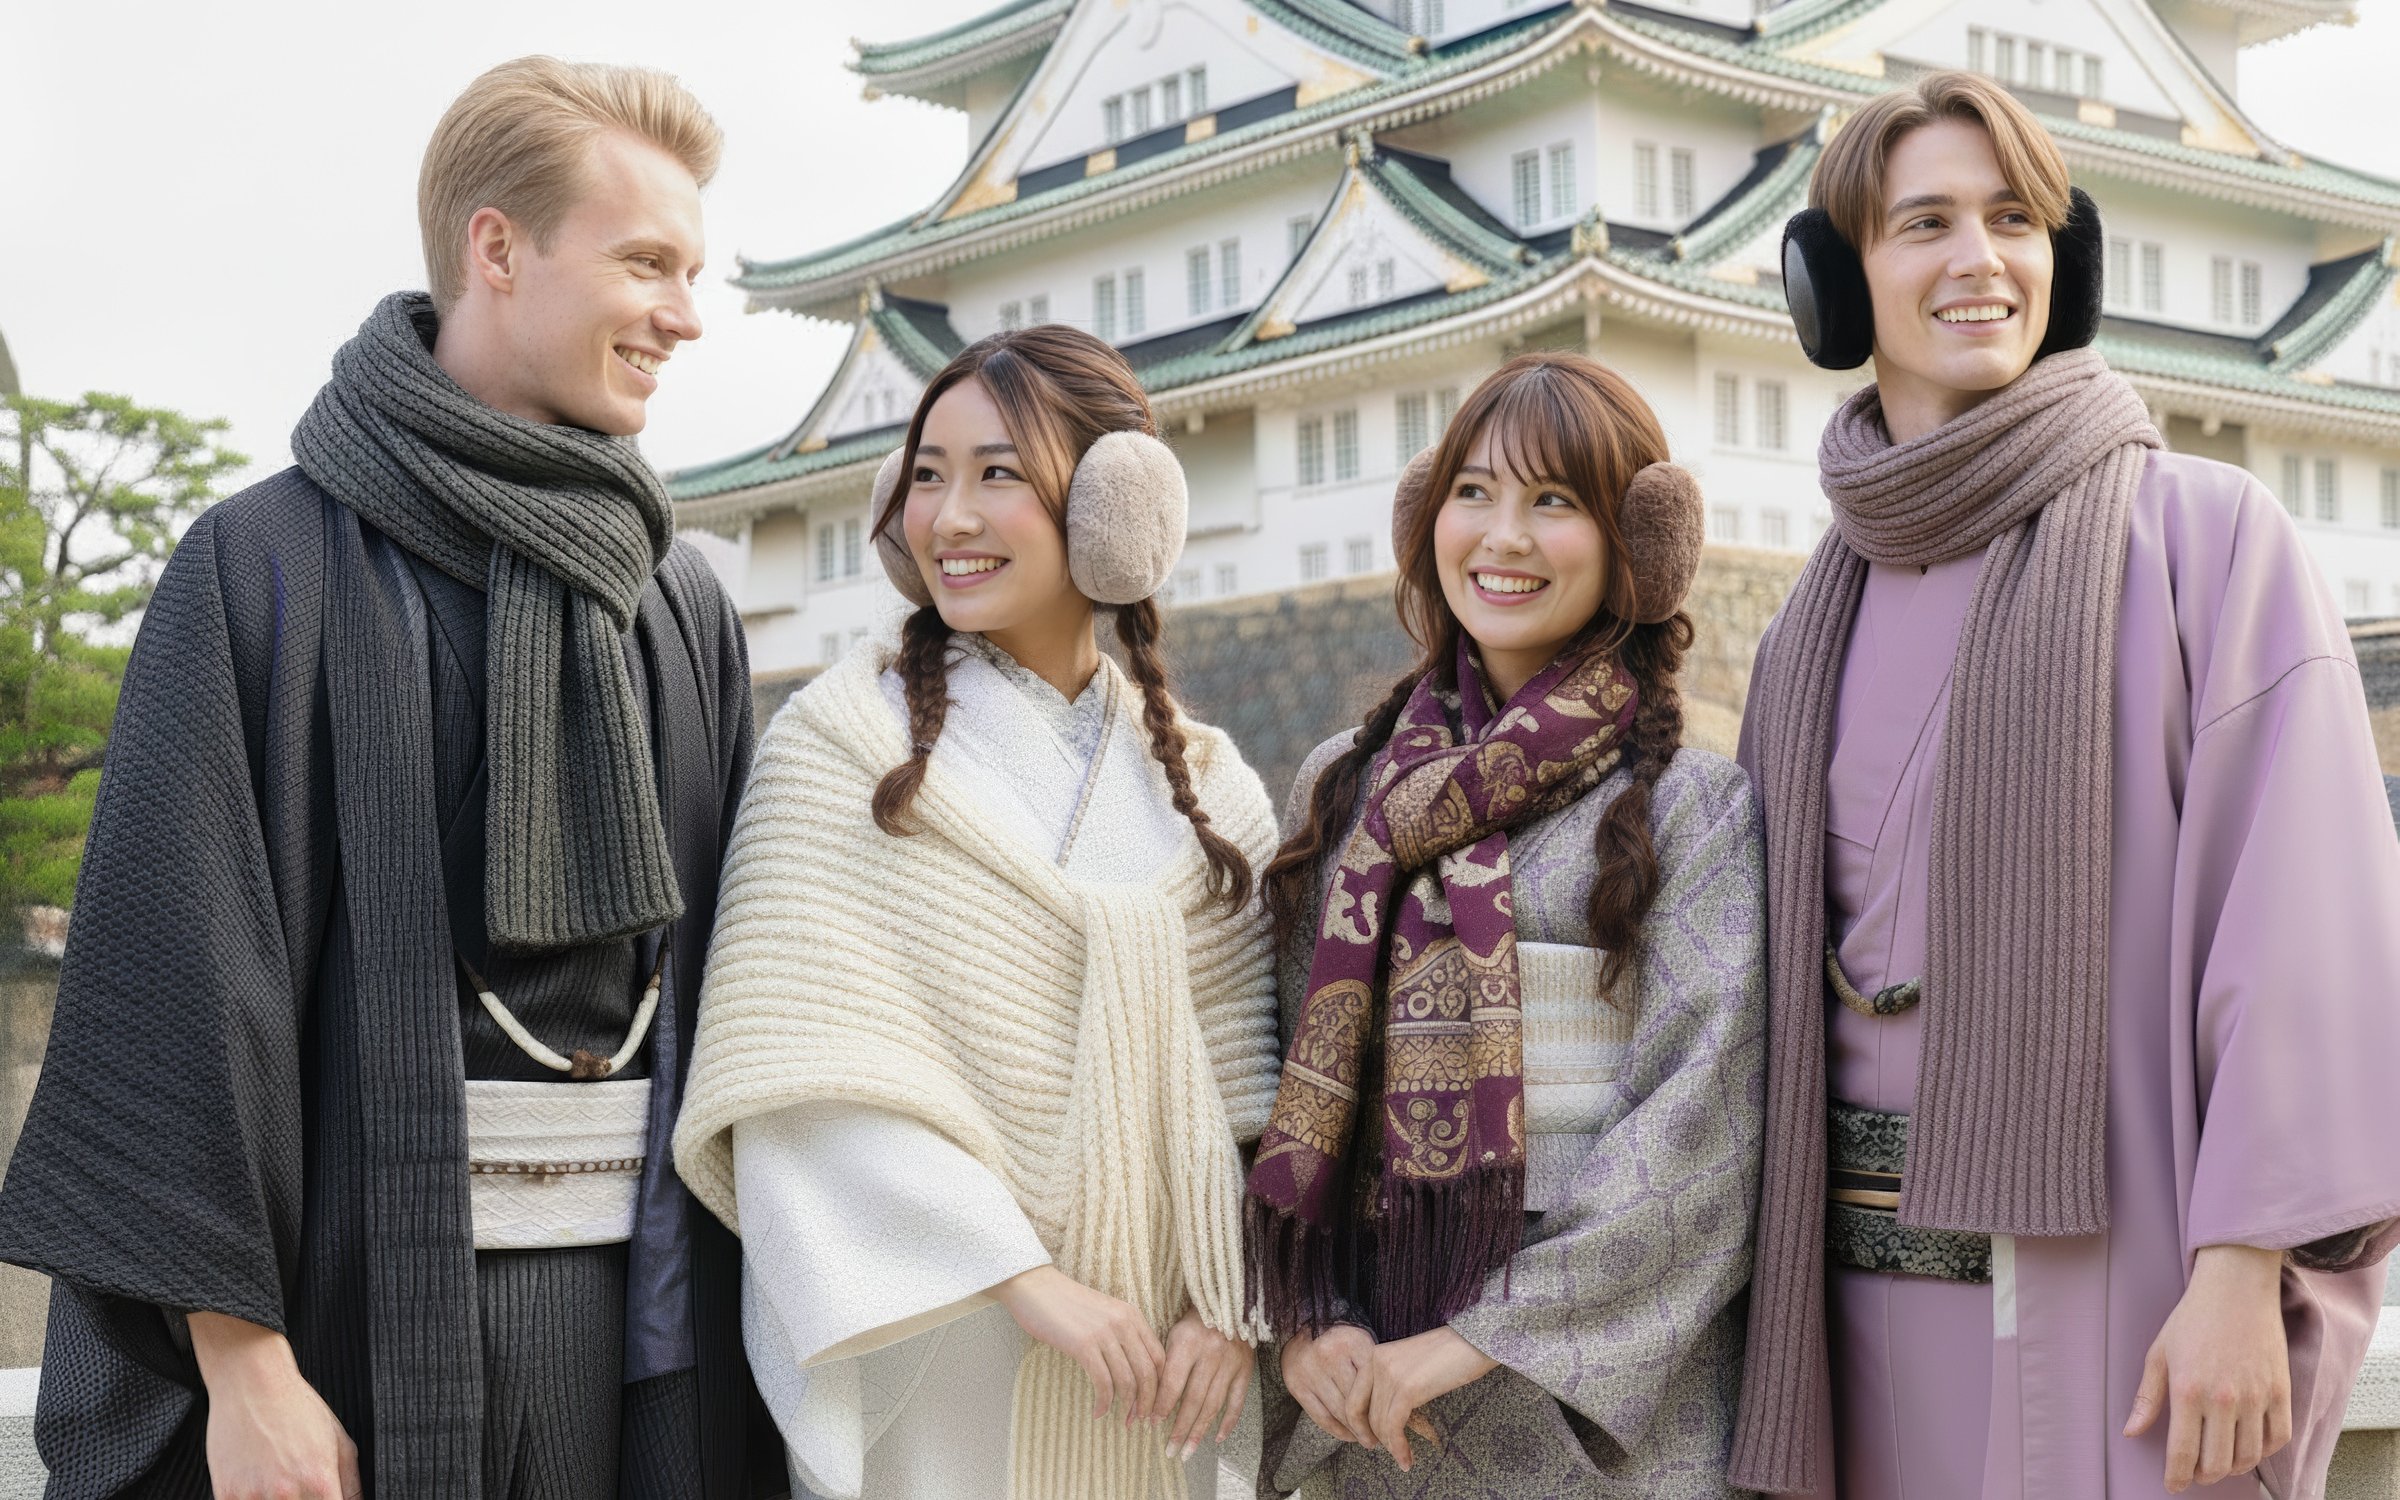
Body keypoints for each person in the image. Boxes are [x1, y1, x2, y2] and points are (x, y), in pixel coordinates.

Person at [0, 57, 782, 1499]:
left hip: (652, 1329)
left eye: (693, 270)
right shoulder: (265, 565)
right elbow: (181, 978)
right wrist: (240, 1366)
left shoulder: (681, 599)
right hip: (350, 1316)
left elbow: (762, 978)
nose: (685, 311)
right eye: (647, 263)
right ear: (499, 249)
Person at [1733, 71, 2400, 1500]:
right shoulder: (1808, 619)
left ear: (2066, 260)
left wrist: (2243, 1265)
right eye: (1926, 223)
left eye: (2016, 219)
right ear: (1836, 284)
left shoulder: (2203, 541)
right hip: (1840, 1327)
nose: (1981, 260)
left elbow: (2306, 934)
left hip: (2111, 1290)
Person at [672, 325, 1281, 1500]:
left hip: (1160, 1380)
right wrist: (1027, 1281)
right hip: (948, 1349)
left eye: (999, 473)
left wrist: (1233, 1301)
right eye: (928, 474)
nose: (948, 516)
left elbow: (1265, 1113)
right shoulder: (836, 750)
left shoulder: (1213, 797)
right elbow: (801, 1082)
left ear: (1114, 507)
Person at [1244, 351, 1767, 1498]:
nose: (1504, 537)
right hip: (1377, 1387)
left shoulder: (1691, 803)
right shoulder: (1345, 787)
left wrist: (1478, 1340)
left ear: (1639, 537)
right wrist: (1306, 1319)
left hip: (1591, 1408)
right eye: (1473, 493)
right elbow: (1287, 1074)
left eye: (1555, 502)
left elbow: (1703, 1127)